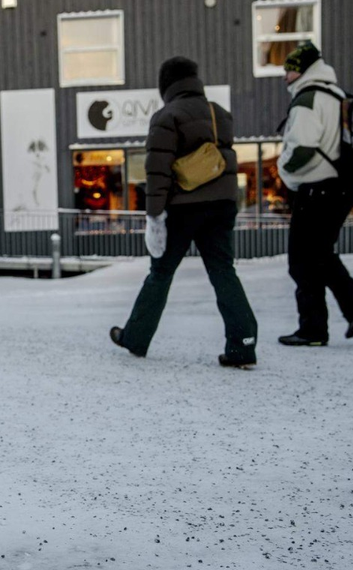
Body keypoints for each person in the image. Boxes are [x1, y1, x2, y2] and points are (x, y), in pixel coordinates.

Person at [109, 56, 258, 368]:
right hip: (221, 205)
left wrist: (154, 216)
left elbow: (158, 172)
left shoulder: (167, 116)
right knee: (223, 271)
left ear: (166, 85)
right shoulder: (220, 115)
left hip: (183, 208)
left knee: (161, 274)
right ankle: (243, 342)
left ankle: (136, 337)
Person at [276, 43, 353, 346]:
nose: (286, 76)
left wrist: (285, 172)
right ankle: (351, 312)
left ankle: (316, 328)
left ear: (304, 69)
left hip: (318, 188)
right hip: (342, 186)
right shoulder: (337, 96)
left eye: (290, 69)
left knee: (301, 259)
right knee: (319, 254)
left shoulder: (308, 99)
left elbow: (302, 148)